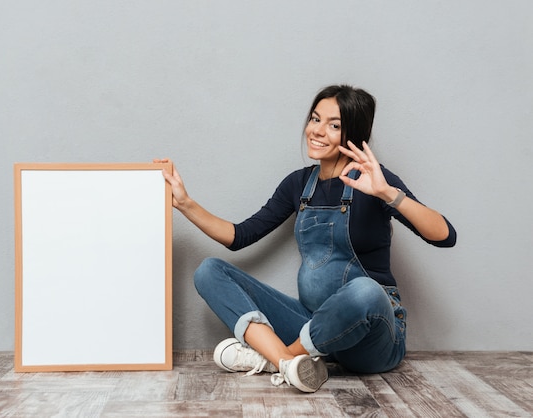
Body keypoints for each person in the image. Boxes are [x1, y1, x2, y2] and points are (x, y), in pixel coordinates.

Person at [156, 84, 456, 393]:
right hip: (311, 327)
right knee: (210, 271)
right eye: (315, 119)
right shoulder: (299, 184)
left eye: (334, 125)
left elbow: (445, 236)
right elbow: (239, 236)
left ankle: (279, 358)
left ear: (354, 134)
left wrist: (387, 193)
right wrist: (185, 203)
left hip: (373, 339)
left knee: (366, 291)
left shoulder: (375, 180)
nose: (317, 131)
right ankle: (291, 362)